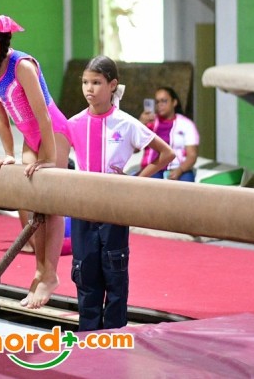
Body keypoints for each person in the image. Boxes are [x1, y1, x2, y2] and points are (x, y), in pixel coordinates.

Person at [0, 13, 70, 310]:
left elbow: (43, 115)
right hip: (30, 138)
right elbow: (1, 119)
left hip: (54, 133)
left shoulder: (22, 66)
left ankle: (50, 274)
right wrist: (8, 154)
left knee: (50, 204)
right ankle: (40, 270)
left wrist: (48, 158)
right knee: (29, 203)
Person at [65, 55, 175, 331]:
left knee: (114, 275)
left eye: (96, 83)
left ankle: (114, 335)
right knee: (85, 274)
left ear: (112, 85)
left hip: (114, 208)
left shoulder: (126, 123)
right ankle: (88, 335)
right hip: (82, 208)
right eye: (85, 82)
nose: (89, 89)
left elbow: (166, 154)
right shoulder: (73, 123)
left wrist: (136, 181)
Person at [138, 86, 199, 181]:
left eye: (164, 101)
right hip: (152, 168)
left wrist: (180, 170)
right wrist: (140, 125)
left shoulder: (186, 124)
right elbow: (134, 149)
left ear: (174, 102)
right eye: (157, 102)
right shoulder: (150, 122)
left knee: (187, 185)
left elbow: (192, 155)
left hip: (178, 168)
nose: (160, 105)